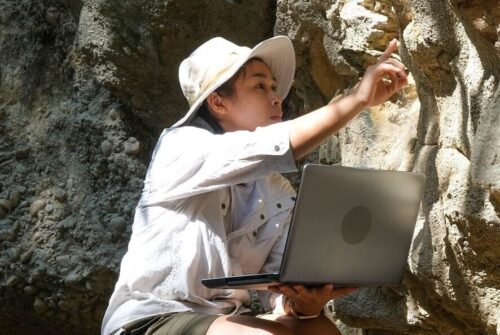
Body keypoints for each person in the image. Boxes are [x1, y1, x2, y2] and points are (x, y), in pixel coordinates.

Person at [101, 35, 408, 335]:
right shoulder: (180, 145)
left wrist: (306, 305)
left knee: (317, 328)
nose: (277, 97)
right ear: (218, 102)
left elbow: (279, 295)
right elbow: (277, 145)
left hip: (223, 320)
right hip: (152, 319)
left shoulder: (275, 190)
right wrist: (357, 99)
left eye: (274, 87)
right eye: (259, 86)